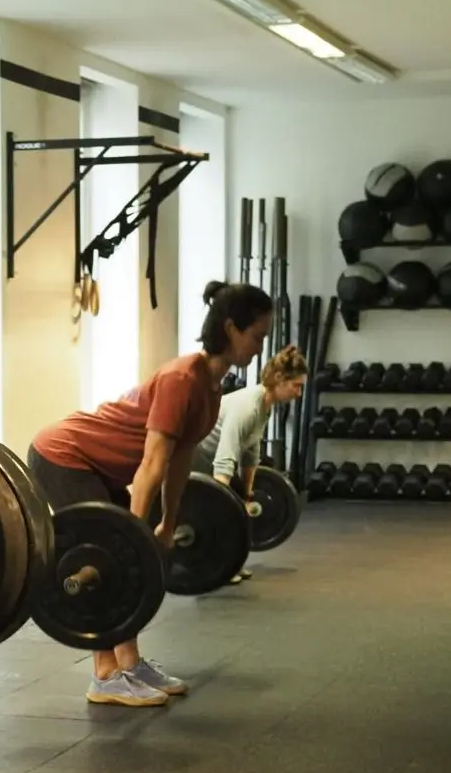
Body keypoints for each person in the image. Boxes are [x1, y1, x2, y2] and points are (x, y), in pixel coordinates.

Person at [27, 280, 273, 707]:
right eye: (256, 336)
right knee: (105, 557)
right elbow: (152, 465)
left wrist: (168, 522)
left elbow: (179, 464)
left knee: (123, 560)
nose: (259, 347)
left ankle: (130, 663)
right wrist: (134, 537)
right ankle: (105, 675)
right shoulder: (182, 378)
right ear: (231, 329)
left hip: (100, 466)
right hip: (64, 455)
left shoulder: (212, 388)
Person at [192, 345, 307, 582]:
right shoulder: (248, 406)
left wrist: (247, 493)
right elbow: (225, 458)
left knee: (237, 503)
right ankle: (218, 568)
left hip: (210, 459)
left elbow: (251, 453)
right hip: (193, 457)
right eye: (296, 386)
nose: (299, 393)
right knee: (223, 509)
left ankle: (231, 563)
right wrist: (224, 502)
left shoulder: (264, 407)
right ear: (279, 378)